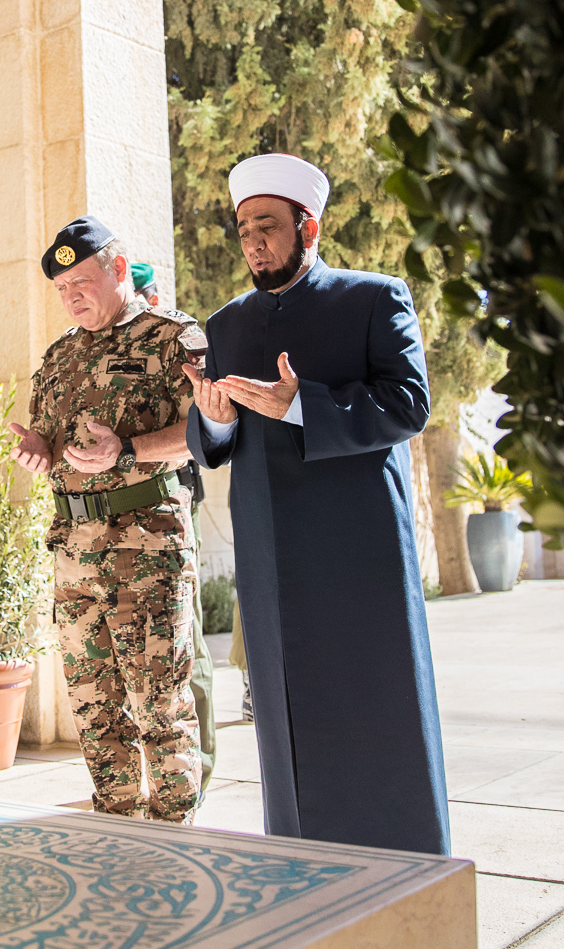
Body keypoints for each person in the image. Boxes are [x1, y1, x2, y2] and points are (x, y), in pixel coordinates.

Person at [184, 153, 451, 855]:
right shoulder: (226, 324)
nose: (253, 242)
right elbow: (210, 438)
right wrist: (212, 418)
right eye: (243, 230)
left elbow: (409, 404)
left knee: (378, 714)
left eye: (267, 226)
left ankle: (407, 868)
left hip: (359, 556)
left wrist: (302, 403)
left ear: (310, 225)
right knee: (289, 731)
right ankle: (301, 869)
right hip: (274, 563)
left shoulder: (374, 298)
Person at [11, 218, 205, 822]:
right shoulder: (60, 355)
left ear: (119, 270)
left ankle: (176, 837)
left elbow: (210, 433)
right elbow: (50, 434)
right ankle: (115, 829)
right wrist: (39, 449)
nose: (72, 296)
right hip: (74, 552)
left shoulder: (175, 339)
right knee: (94, 705)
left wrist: (127, 449)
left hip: (148, 548)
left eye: (82, 281)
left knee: (159, 703)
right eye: (62, 288)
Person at [128, 258, 221, 778]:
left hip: (173, 506)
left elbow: (199, 430)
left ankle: (198, 770)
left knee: (188, 643)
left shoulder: (176, 339)